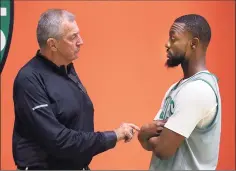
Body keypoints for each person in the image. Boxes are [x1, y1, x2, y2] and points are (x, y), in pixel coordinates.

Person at [12, 9, 140, 170]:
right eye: (73, 37)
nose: (81, 41)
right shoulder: (29, 79)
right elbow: (58, 140)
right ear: (53, 44)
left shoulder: (67, 69)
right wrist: (114, 135)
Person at [137, 14, 221, 170]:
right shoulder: (177, 88)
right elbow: (152, 143)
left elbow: (163, 150)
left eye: (173, 39)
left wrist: (143, 133)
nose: (167, 44)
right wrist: (147, 136)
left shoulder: (198, 90)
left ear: (193, 44)